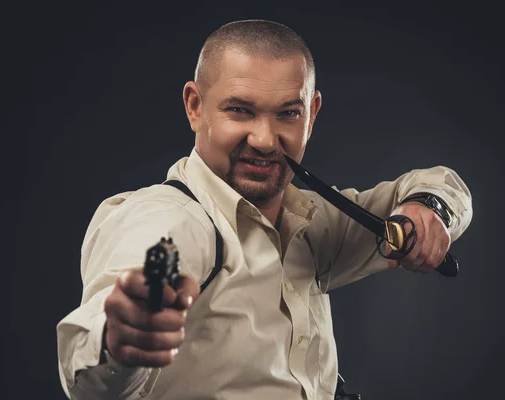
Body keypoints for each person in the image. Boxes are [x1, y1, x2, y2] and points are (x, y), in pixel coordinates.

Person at [56, 19, 473, 400]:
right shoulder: (168, 219)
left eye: (287, 114)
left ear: (311, 116)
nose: (265, 140)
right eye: (240, 110)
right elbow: (91, 366)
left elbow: (437, 183)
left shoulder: (310, 225)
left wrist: (427, 209)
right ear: (195, 106)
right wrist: (118, 340)